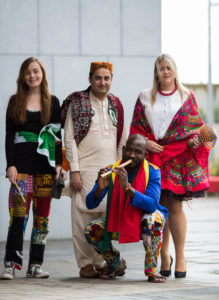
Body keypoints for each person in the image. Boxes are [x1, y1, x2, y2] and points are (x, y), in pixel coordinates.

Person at [129, 54, 210, 278]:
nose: (166, 71)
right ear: (156, 72)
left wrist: (195, 140)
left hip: (178, 158)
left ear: (175, 70)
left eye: (169, 67)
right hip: (153, 157)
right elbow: (136, 127)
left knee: (174, 206)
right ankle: (164, 256)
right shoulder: (145, 96)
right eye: (162, 68)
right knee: (156, 206)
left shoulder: (187, 96)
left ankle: (180, 256)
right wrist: (146, 143)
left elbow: (197, 128)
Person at [1, 57, 66, 280]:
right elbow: (9, 136)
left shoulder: (53, 102)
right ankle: (11, 263)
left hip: (45, 171)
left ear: (42, 74)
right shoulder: (14, 101)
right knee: (18, 218)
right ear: (23, 76)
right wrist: (10, 165)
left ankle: (36, 265)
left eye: (36, 71)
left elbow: (57, 137)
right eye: (28, 72)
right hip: (21, 170)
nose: (32, 76)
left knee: (42, 221)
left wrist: (59, 164)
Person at [61, 62, 126, 278]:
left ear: (111, 80)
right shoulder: (77, 102)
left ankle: (103, 262)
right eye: (98, 78)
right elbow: (69, 138)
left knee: (105, 218)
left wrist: (119, 168)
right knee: (82, 218)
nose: (102, 82)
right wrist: (75, 170)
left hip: (109, 169)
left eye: (107, 78)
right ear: (90, 79)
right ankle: (86, 263)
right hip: (85, 169)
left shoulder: (116, 104)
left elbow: (121, 140)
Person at [85, 134, 168, 282]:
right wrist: (99, 189)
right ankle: (115, 263)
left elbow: (151, 205)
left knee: (153, 220)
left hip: (143, 220)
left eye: (138, 152)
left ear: (145, 154)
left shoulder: (153, 171)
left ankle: (152, 269)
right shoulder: (111, 170)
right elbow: (90, 204)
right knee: (91, 230)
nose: (132, 155)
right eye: (129, 150)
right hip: (119, 219)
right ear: (123, 150)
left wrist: (128, 188)